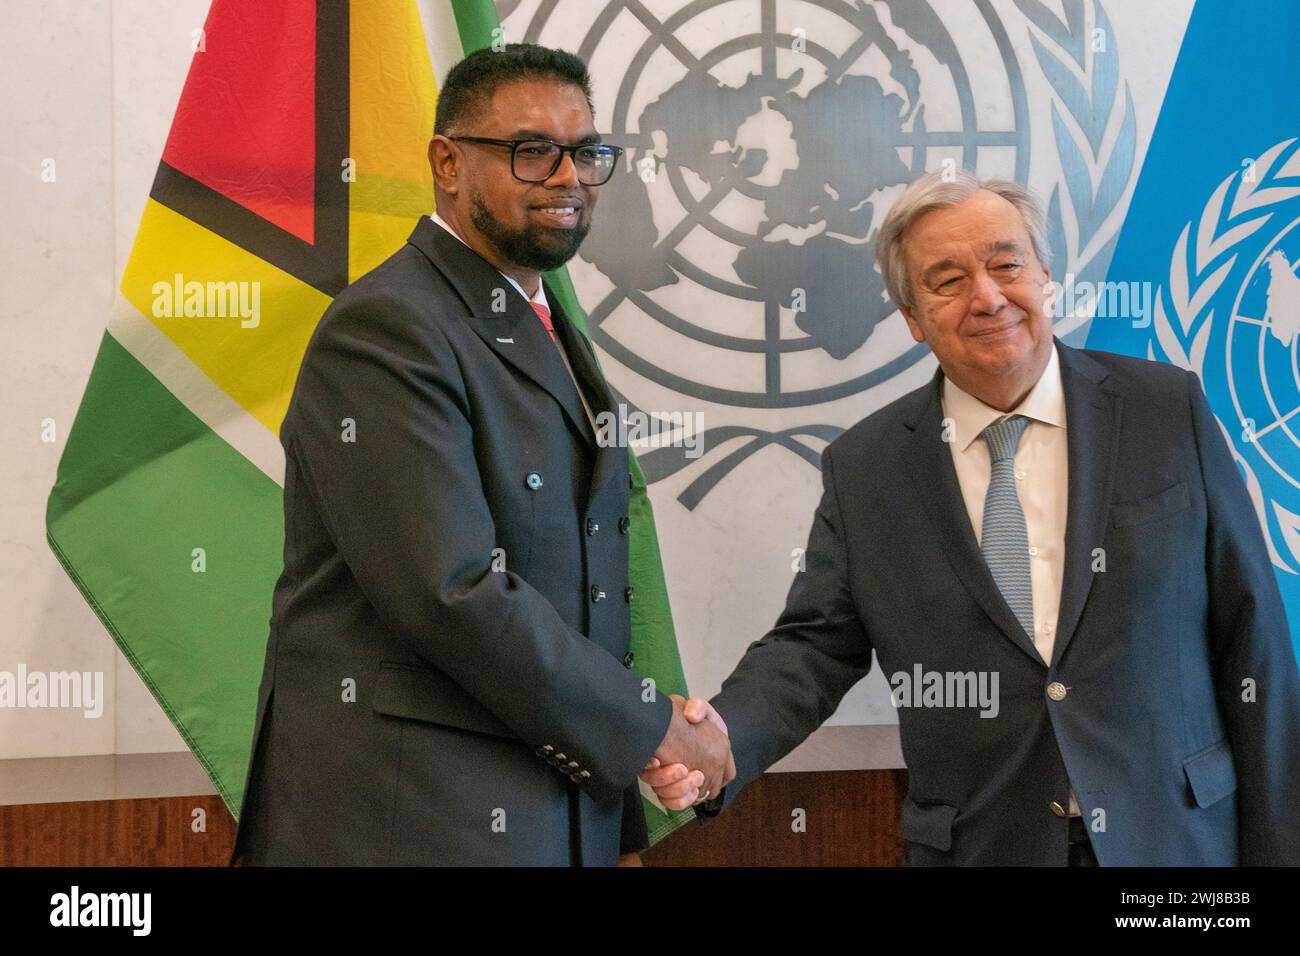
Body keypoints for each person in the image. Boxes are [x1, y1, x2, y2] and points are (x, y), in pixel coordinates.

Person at [645, 169, 1300, 865]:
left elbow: (1251, 633)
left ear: (1045, 275)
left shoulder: (1165, 411)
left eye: (1005, 263)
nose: (987, 298)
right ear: (912, 318)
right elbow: (813, 648)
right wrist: (720, 740)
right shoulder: (867, 467)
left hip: (1178, 845)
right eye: (947, 280)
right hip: (985, 846)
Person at [230, 43, 730, 867]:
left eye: (587, 153)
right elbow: (451, 592)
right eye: (532, 150)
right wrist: (653, 727)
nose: (568, 176)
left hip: (547, 815)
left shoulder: (540, 318)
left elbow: (582, 594)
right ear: (447, 162)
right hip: (410, 822)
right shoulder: (389, 327)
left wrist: (617, 819)